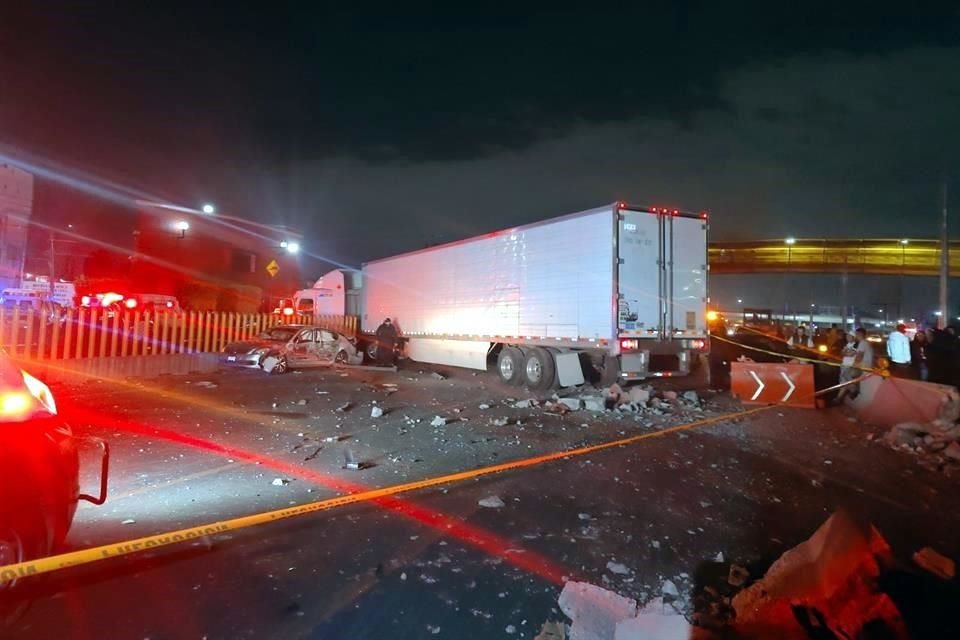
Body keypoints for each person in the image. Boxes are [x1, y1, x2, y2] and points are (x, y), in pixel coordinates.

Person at [835, 332, 861, 403]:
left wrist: (845, 352)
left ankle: (854, 391)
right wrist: (845, 352)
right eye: (847, 336)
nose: (847, 337)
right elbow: (841, 353)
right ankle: (838, 398)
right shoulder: (847, 345)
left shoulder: (856, 345)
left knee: (847, 381)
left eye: (849, 336)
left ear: (853, 337)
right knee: (843, 382)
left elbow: (850, 354)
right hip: (844, 365)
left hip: (850, 366)